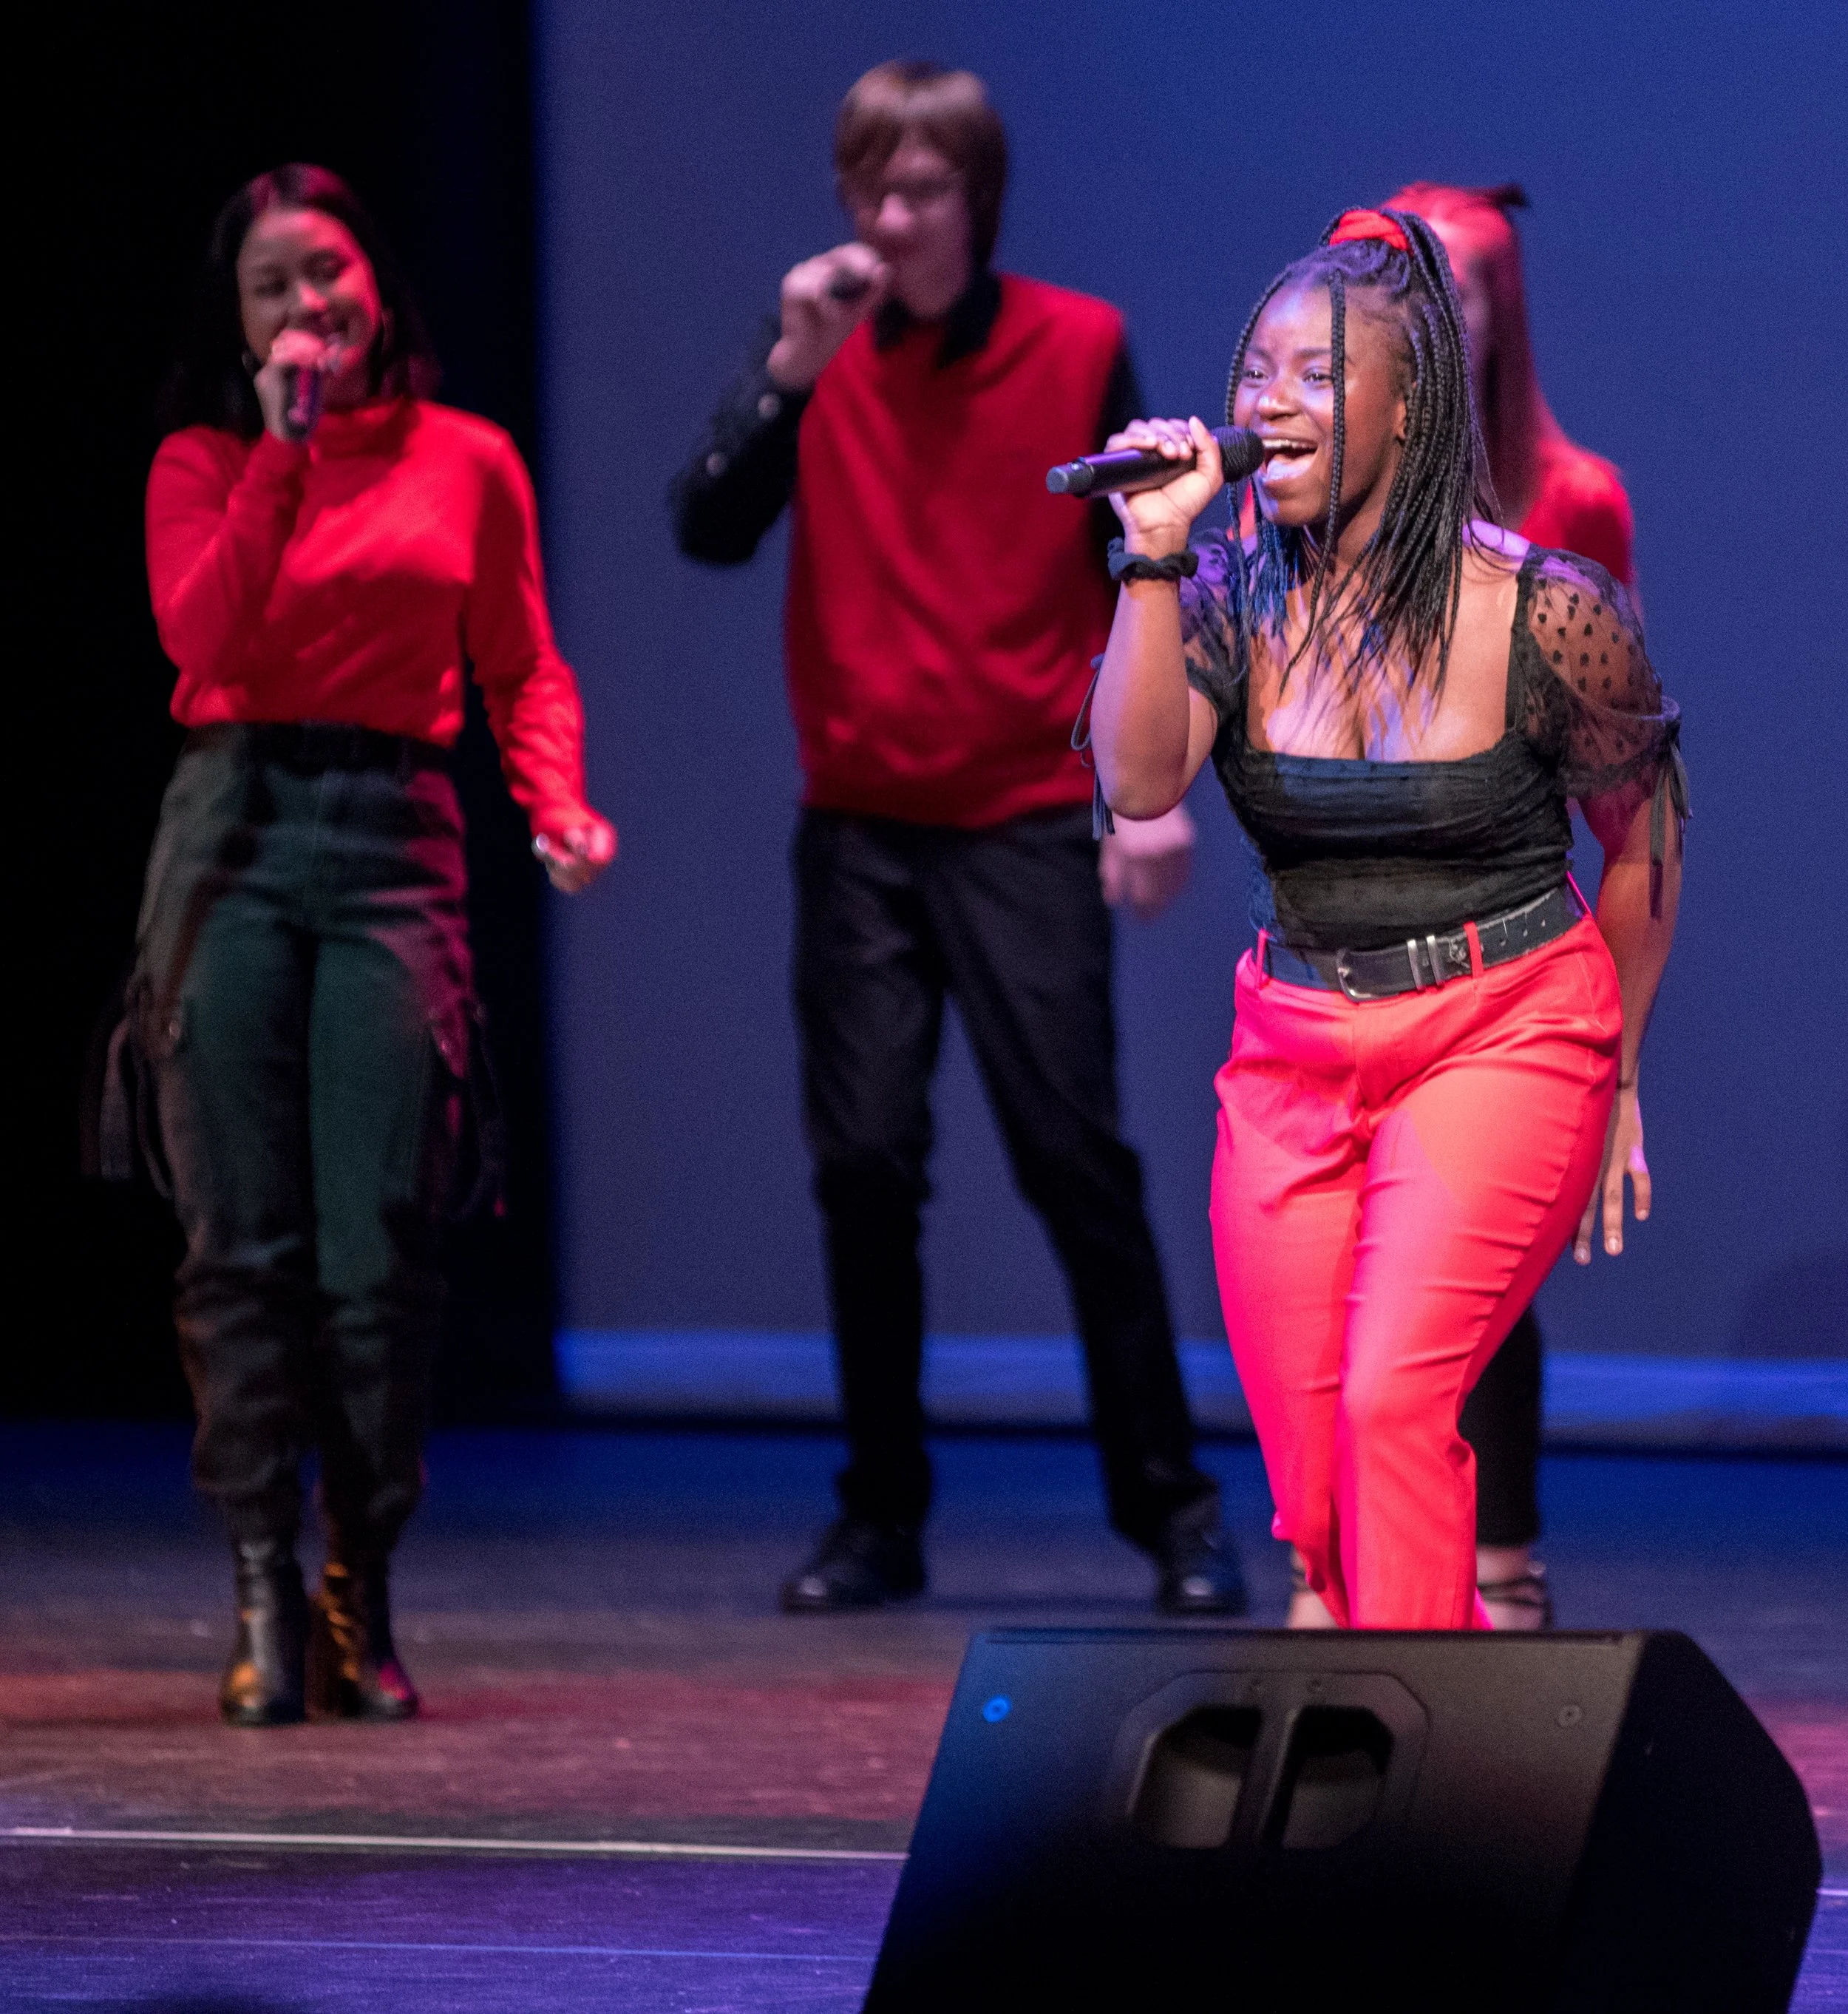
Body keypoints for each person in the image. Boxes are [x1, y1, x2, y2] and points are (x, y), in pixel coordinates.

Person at [670, 61, 1243, 1616]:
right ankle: (879, 1520)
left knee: (1074, 1161)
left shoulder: (1073, 344)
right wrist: (784, 370)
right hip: (857, 822)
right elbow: (708, 526)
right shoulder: (819, 350)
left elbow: (1148, 565)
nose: (891, 218)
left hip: (1021, 814)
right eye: (869, 188)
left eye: (920, 190)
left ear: (974, 199)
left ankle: (1175, 1514)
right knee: (863, 1166)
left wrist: (1153, 791)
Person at [1087, 206, 1684, 1628]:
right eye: (1255, 373)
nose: (1265, 404)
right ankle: (1431, 1702)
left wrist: (1622, 1072)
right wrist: (1154, 561)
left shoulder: (1548, 613)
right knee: (1315, 1483)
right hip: (1294, 1047)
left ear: (1409, 416)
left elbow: (1645, 844)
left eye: (1312, 376)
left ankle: (1420, 1809)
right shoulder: (1225, 596)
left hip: (1505, 1023)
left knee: (1391, 1400)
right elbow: (1135, 774)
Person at [137, 163, 614, 1724]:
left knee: (377, 1256)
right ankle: (262, 1580)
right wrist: (281, 458)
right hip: (233, 833)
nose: (305, 307)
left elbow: (521, 666)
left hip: (391, 841)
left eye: (325, 274)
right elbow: (205, 639)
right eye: (271, 287)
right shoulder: (203, 460)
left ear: (377, 289)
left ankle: (363, 1585)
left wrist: (558, 805)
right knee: (239, 1246)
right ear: (242, 320)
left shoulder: (465, 458)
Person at [1283, 183, 1643, 1630]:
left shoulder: (1570, 499)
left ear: (1495, 321)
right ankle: (1341, 1569)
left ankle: (1497, 1560)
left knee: (1469, 1255)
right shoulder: (1301, 491)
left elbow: (1612, 753)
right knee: (1329, 1247)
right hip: (1339, 933)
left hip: (1502, 934)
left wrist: (1613, 1038)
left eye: (1451, 292)